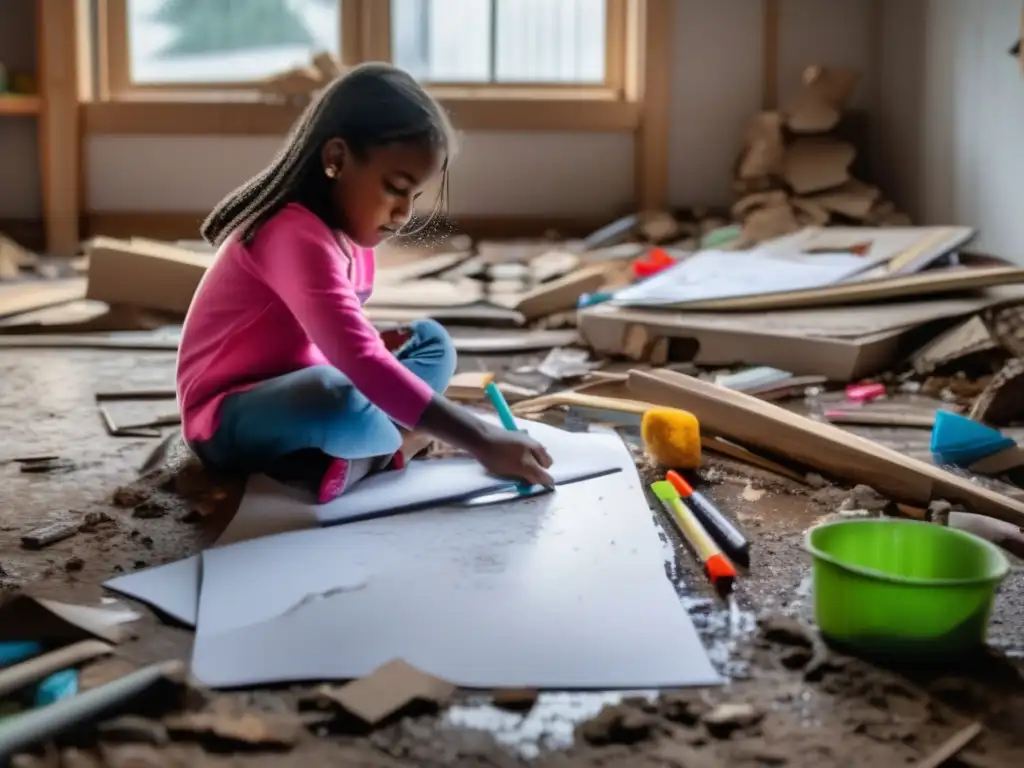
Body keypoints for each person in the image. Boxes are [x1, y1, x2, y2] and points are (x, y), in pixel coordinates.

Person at [176, 63, 554, 503]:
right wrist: (481, 438)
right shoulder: (291, 233)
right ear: (335, 160)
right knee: (335, 395)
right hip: (227, 416)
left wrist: (393, 389)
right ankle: (391, 443)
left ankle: (366, 448)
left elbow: (353, 344)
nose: (404, 214)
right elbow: (357, 358)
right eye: (395, 188)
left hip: (307, 381)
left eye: (414, 197)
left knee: (432, 342)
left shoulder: (352, 238)